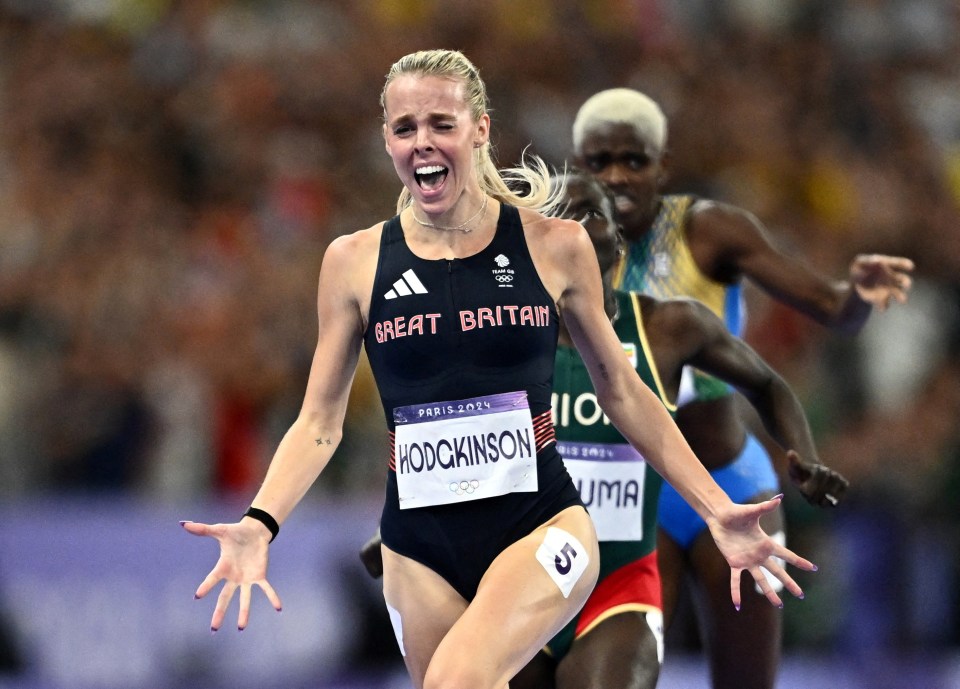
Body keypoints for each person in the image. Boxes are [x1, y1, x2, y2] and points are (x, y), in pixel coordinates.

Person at [182, 51, 816, 689]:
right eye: (405, 128)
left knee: (456, 682)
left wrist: (715, 508)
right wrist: (261, 521)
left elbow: (622, 390)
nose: (423, 142)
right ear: (387, 140)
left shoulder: (554, 245)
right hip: (417, 549)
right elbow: (319, 422)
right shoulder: (352, 262)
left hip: (540, 529)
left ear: (480, 129)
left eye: (441, 123)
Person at [361, 171, 849, 689]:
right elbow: (448, 442)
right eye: (564, 218)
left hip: (619, 587)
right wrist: (398, 524)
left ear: (616, 239)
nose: (578, 228)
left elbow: (766, 384)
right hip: (516, 581)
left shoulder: (668, 329)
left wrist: (804, 454)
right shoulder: (503, 339)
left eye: (593, 215)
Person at [570, 88, 913, 689]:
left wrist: (857, 293)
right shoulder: (567, 250)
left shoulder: (709, 232)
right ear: (577, 167)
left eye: (634, 159)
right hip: (636, 498)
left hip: (734, 481)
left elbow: (830, 308)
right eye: (599, 163)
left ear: (662, 165)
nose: (617, 177)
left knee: (747, 680)